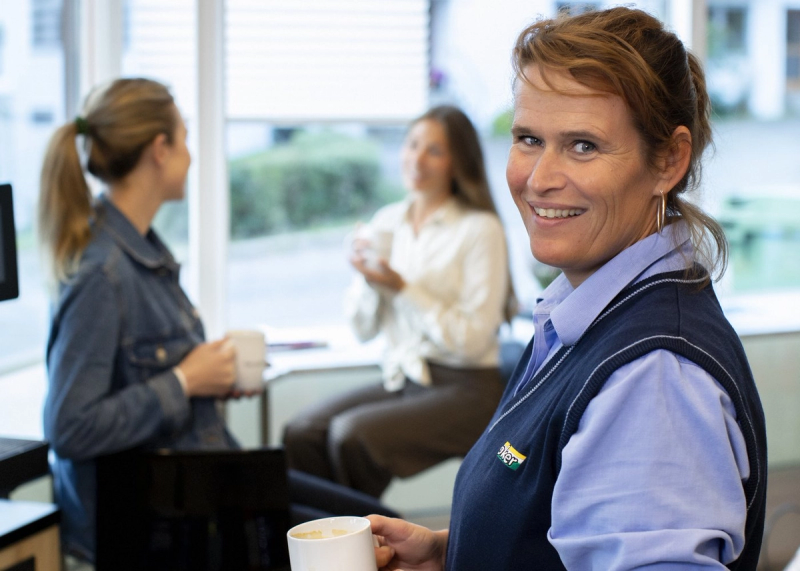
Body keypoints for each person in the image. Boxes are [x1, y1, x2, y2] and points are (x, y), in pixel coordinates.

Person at [367, 7, 768, 570]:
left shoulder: (651, 374)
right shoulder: (584, 313)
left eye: (583, 145)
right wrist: (453, 552)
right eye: (529, 138)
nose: (539, 178)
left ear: (669, 161)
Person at [38, 77, 395, 569]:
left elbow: (140, 377)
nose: (191, 155)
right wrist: (186, 381)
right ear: (159, 150)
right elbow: (70, 428)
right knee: (369, 549)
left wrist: (209, 380)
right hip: (163, 512)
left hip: (209, 479)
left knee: (381, 525)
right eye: (184, 139)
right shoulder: (104, 273)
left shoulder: (143, 253)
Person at [282, 105, 517, 498]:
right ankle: (330, 541)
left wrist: (403, 288)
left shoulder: (480, 229)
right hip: (405, 377)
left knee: (352, 437)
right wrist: (367, 280)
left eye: (435, 151)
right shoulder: (387, 222)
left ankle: (361, 541)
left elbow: (473, 340)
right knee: (301, 432)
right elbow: (362, 330)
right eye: (412, 145)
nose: (417, 159)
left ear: (458, 161)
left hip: (467, 388)